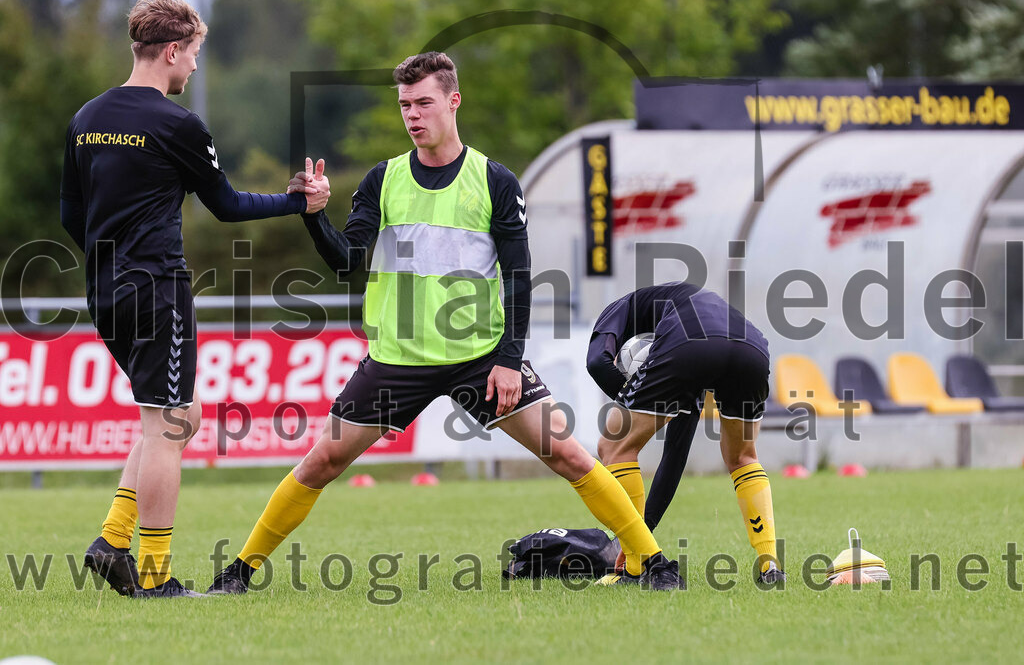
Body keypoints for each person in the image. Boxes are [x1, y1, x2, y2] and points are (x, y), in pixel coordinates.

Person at [207, 51, 683, 594]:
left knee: (569, 455)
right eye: (405, 105)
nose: (412, 115)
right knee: (321, 463)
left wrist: (508, 361)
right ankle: (239, 573)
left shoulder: (495, 181)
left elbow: (518, 277)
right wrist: (315, 217)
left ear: (453, 102)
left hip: (479, 358)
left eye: (424, 102)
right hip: (397, 359)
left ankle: (654, 564)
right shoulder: (382, 179)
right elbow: (347, 262)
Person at [60, 0, 329, 598]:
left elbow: (70, 215)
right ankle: (155, 578)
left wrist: (111, 256)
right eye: (195, 56)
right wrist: (298, 202)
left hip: (104, 290)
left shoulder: (86, 117)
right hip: (156, 287)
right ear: (173, 50)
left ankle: (112, 540)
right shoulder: (177, 123)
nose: (196, 70)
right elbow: (228, 206)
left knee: (177, 415)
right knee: (168, 425)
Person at [586, 282, 786, 584]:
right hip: (751, 344)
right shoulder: (679, 314)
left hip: (688, 341)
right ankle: (770, 565)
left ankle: (637, 566)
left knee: (614, 446)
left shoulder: (622, 308)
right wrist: (646, 527)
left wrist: (636, 396)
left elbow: (596, 362)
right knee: (743, 456)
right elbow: (675, 455)